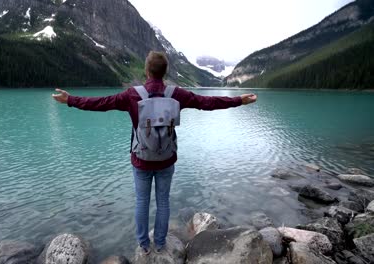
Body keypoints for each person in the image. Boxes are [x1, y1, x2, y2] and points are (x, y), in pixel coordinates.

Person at [52, 51, 257, 255]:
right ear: (165, 71)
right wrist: (239, 100)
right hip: (166, 159)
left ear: (146, 70)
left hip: (141, 159)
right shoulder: (177, 94)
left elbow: (100, 104)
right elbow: (208, 103)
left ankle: (143, 245)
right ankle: (160, 243)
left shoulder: (131, 95)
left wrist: (70, 100)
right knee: (163, 201)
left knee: (142, 201)